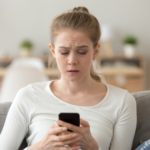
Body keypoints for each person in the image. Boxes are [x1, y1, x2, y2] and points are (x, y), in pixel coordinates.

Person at [0, 6, 137, 150]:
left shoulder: (122, 102)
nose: (72, 60)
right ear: (53, 51)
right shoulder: (28, 95)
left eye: (82, 52)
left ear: (95, 51)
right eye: (64, 52)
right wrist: (41, 147)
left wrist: (93, 148)